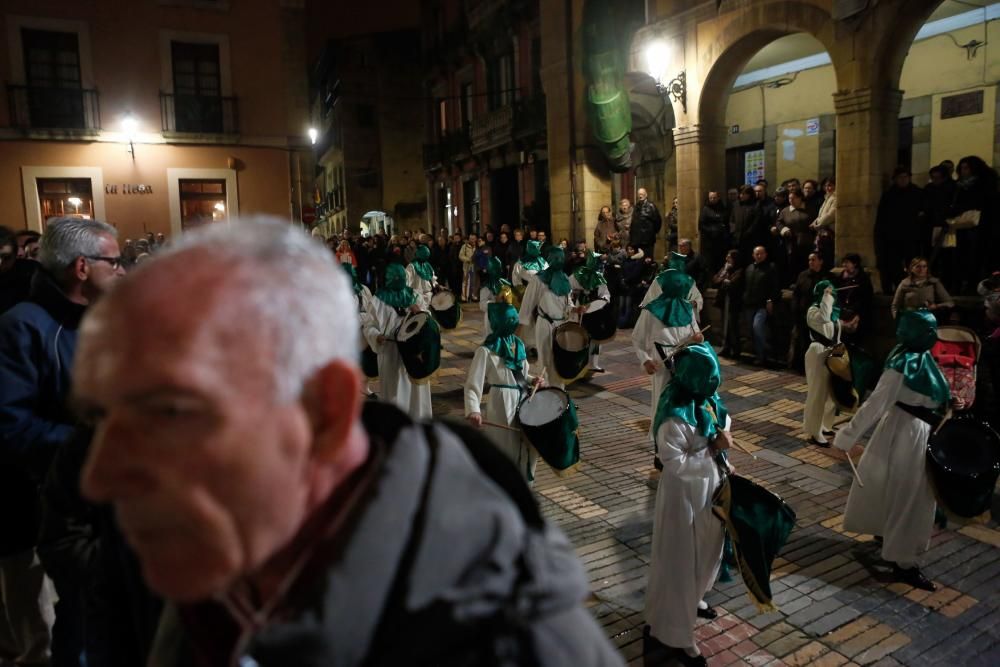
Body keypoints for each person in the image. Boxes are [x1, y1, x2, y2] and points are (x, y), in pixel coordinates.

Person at [73, 219, 623, 666]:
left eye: (169, 412)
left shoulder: (523, 644)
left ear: (325, 410)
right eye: (100, 416)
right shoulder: (158, 568)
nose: (99, 477)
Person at [0, 217, 125, 667]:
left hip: (97, 509)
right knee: (58, 636)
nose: (122, 270)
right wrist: (94, 446)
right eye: (114, 261)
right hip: (40, 512)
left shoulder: (106, 322)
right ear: (81, 268)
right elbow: (10, 427)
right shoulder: (22, 327)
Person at [833, 310, 954, 591]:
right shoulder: (903, 364)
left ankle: (891, 538)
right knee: (909, 497)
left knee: (893, 487)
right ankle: (903, 561)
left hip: (911, 432)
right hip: (907, 435)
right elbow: (875, 404)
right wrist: (847, 438)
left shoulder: (919, 359)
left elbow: (932, 396)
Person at [643, 343, 731, 667]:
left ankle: (681, 607)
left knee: (704, 556)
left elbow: (723, 419)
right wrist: (712, 449)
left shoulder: (704, 401)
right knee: (681, 562)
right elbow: (673, 462)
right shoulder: (673, 416)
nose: (713, 388)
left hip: (709, 491)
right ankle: (678, 637)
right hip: (683, 497)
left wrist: (721, 444)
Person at [465, 303, 542, 481]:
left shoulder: (518, 344)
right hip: (500, 403)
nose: (514, 322)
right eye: (510, 319)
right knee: (504, 444)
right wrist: (473, 410)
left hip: (522, 398)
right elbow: (472, 383)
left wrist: (532, 379)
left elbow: (520, 373)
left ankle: (521, 485)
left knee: (524, 444)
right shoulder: (485, 350)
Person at [632, 269, 703, 463]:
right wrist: (645, 360)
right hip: (662, 362)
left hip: (685, 362)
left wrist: (697, 337)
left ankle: (681, 444)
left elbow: (696, 333)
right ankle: (660, 450)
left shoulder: (687, 308)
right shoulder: (651, 310)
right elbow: (637, 339)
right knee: (662, 403)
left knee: (684, 403)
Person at [364, 263, 432, 418]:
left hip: (414, 350)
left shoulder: (414, 296)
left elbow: (427, 318)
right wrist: (376, 336)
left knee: (416, 388)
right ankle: (395, 422)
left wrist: (419, 312)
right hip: (390, 351)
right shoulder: (377, 300)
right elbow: (369, 326)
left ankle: (418, 420)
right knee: (394, 389)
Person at [518, 247, 580, 390]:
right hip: (545, 324)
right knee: (546, 360)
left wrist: (575, 309)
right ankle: (549, 392)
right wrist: (519, 330)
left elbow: (567, 302)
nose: (559, 261)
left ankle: (559, 392)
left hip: (562, 325)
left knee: (560, 360)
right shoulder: (538, 279)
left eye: (561, 258)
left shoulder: (564, 278)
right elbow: (527, 305)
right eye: (556, 258)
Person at [802, 280, 845, 446]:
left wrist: (840, 356)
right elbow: (824, 317)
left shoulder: (834, 311)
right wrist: (826, 297)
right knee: (818, 393)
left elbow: (836, 335)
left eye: (832, 292)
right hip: (818, 352)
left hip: (833, 351)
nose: (832, 295)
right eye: (828, 292)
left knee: (832, 393)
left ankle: (826, 424)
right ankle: (814, 431)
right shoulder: (813, 310)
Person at [874, 167, 926, 294]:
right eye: (900, 178)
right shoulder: (889, 195)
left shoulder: (917, 193)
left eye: (905, 177)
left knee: (912, 262)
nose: (903, 180)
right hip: (893, 236)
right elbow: (882, 217)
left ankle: (914, 287)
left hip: (911, 235)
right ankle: (899, 286)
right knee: (893, 264)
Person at [572, 251, 611, 373]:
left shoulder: (599, 278)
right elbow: (567, 290)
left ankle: (593, 363)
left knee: (596, 337)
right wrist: (574, 302)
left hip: (594, 310)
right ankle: (578, 363)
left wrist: (600, 302)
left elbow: (605, 294)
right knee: (579, 337)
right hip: (579, 310)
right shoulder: (576, 275)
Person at [789, 252, 828, 373]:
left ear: (820, 261)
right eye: (809, 260)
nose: (811, 262)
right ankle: (802, 366)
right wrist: (796, 310)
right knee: (802, 341)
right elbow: (797, 294)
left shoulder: (826, 277)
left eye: (813, 260)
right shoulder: (803, 275)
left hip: (819, 316)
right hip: (803, 315)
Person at [741, 246, 780, 366]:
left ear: (765, 255)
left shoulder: (770, 268)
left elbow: (774, 286)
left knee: (757, 327)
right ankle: (759, 355)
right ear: (753, 255)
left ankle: (766, 352)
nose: (759, 256)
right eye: (757, 254)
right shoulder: (749, 268)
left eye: (761, 253)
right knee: (751, 331)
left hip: (762, 305)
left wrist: (770, 300)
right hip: (749, 304)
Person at [712, 250, 743, 357]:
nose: (727, 259)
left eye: (729, 257)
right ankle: (726, 347)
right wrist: (724, 276)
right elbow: (715, 280)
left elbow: (733, 284)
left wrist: (725, 281)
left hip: (733, 302)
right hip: (723, 301)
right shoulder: (725, 269)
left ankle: (736, 350)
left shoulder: (739, 270)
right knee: (724, 325)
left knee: (732, 326)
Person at [697, 191, 729, 273]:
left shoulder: (723, 208)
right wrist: (712, 230)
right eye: (710, 198)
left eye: (714, 197)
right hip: (709, 241)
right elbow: (701, 225)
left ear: (718, 198)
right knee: (709, 264)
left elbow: (726, 222)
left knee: (720, 262)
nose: (712, 199)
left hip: (721, 241)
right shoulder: (705, 209)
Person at [479, 256, 511, 335]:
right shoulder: (486, 287)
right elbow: (482, 305)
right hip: (492, 317)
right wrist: (495, 301)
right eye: (496, 269)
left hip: (505, 316)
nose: (499, 271)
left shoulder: (504, 283)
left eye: (500, 268)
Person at [812, 177, 837, 268]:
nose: (827, 188)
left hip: (829, 231)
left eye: (830, 185)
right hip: (822, 230)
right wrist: (815, 222)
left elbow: (831, 215)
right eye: (826, 186)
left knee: (826, 256)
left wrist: (818, 223)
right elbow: (821, 214)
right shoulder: (827, 198)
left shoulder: (835, 198)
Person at [630, 188, 662, 257]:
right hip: (637, 240)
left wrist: (652, 232)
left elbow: (658, 221)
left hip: (647, 240)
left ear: (646, 195)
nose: (640, 196)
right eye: (639, 194)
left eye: (642, 194)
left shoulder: (651, 206)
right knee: (638, 261)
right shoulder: (636, 206)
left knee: (647, 260)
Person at [459, 233, 478, 301]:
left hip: (475, 267)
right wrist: (468, 259)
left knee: (475, 281)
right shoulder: (464, 246)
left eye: (473, 238)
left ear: (476, 239)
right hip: (467, 266)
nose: (472, 240)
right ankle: (464, 297)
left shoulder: (478, 246)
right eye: (470, 239)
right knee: (465, 281)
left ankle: (474, 295)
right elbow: (461, 256)